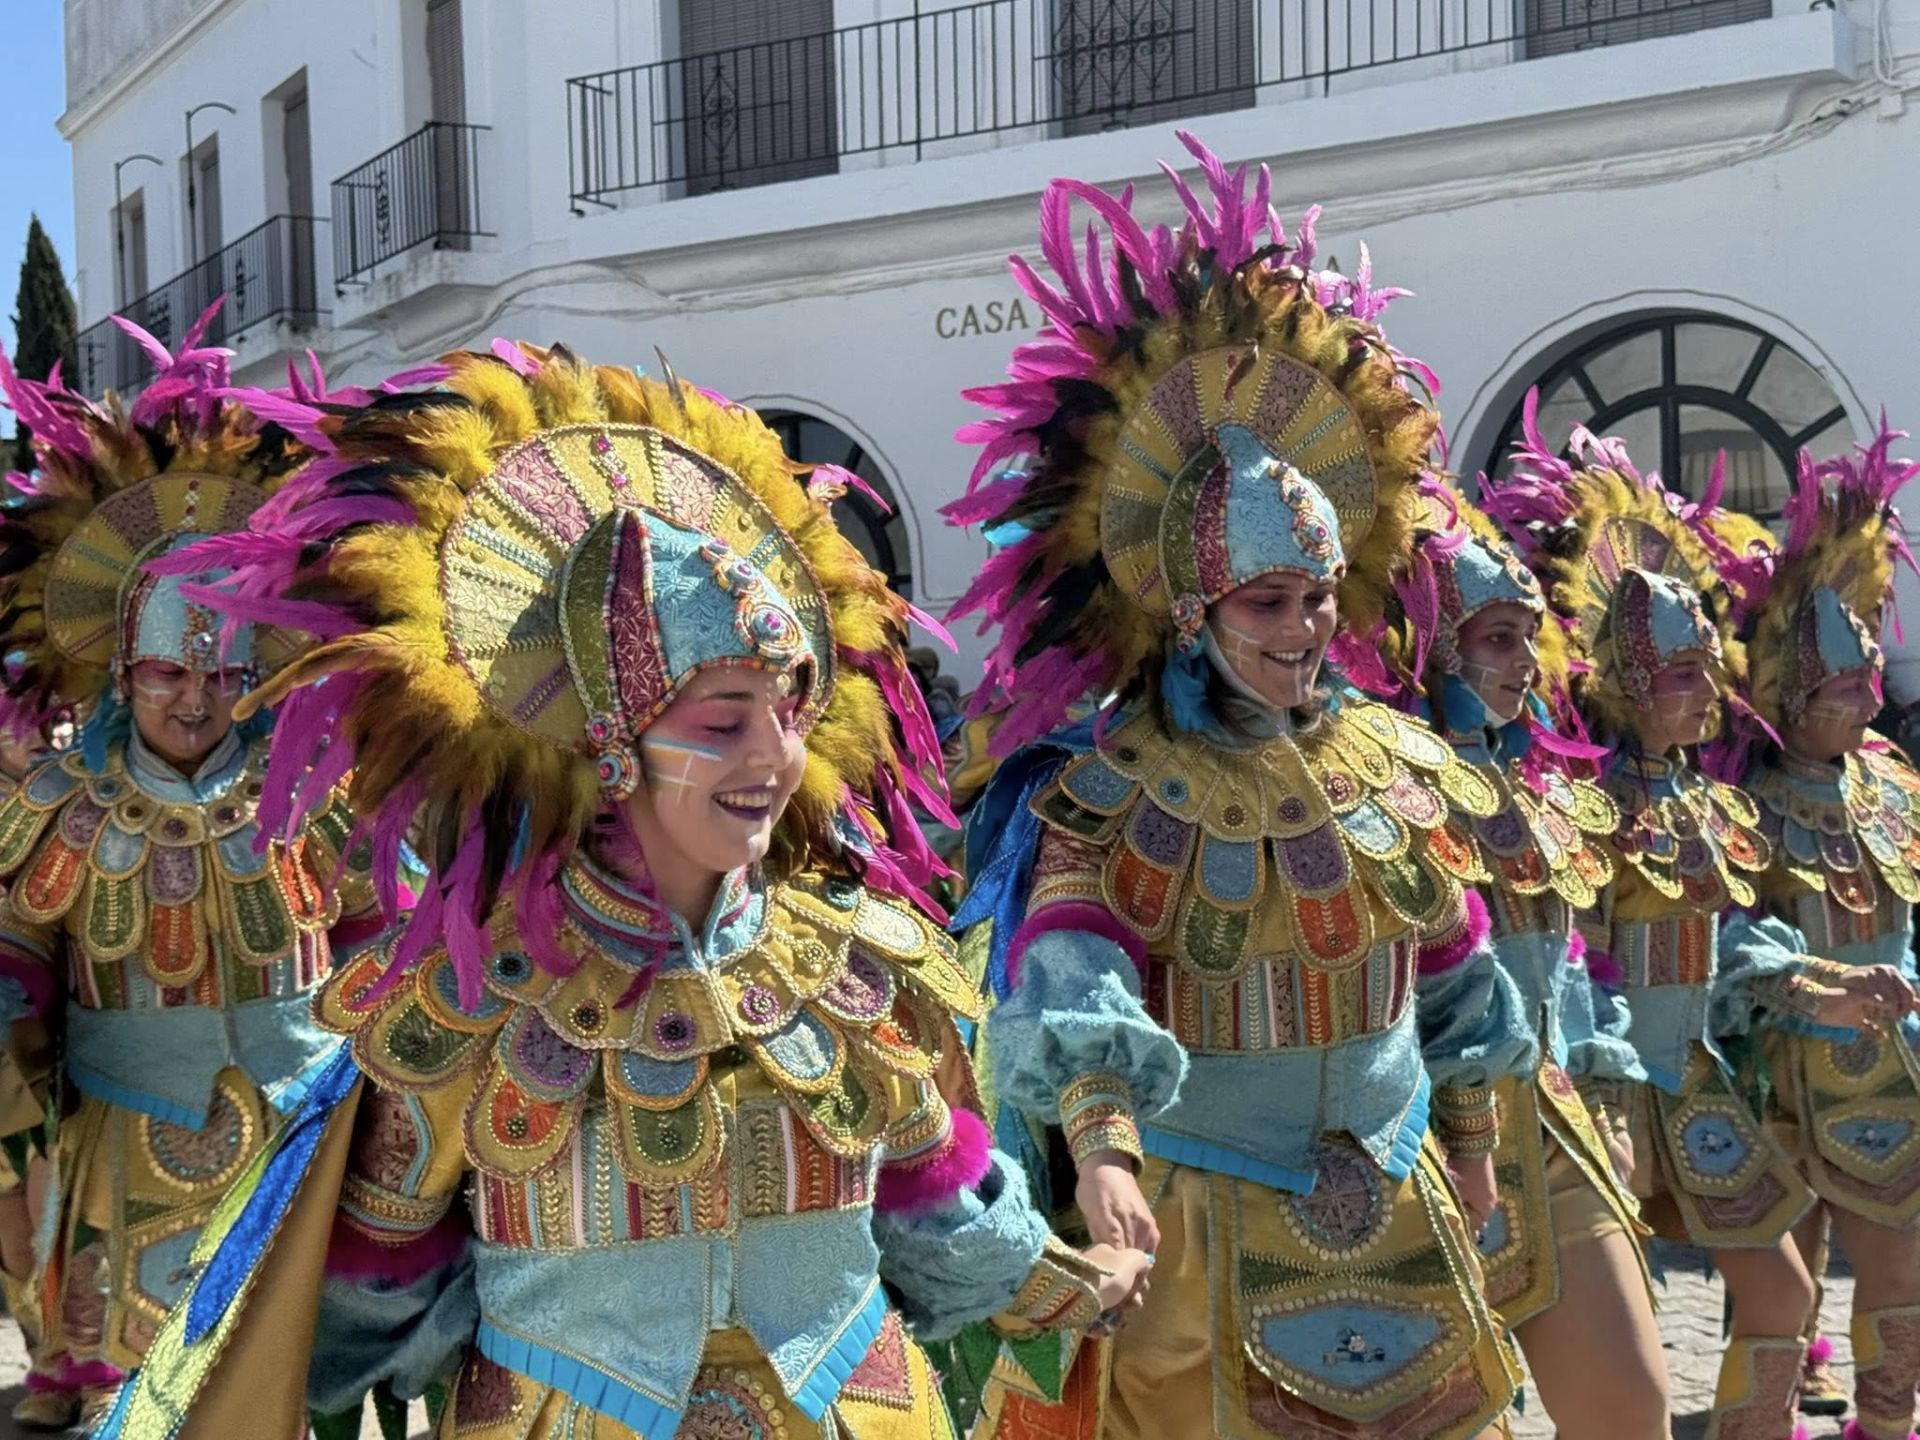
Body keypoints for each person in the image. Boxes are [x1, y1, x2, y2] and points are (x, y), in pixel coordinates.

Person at [99, 341, 1152, 1440]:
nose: (774, 759)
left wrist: (1087, 1280)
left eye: (787, 714)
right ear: (614, 745)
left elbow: (943, 1222)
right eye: (720, 722)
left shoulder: (852, 969)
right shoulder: (473, 1004)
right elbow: (366, 1301)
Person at [944, 132, 1531, 1440]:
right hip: (1202, 1221)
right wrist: (1103, 1157)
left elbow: (1452, 969)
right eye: (1268, 600)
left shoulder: (1393, 765)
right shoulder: (1111, 787)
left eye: (1319, 598)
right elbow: (1077, 976)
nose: (1304, 627)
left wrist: (1477, 1143)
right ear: (1193, 606)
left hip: (1402, 1203)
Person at [1486, 399, 1909, 1440]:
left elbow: (1732, 944)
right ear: (1630, 679)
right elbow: (1572, 963)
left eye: (1711, 669)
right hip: (1612, 1094)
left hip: (1702, 1086)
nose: (1708, 689)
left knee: (1779, 1295)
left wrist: (1809, 981)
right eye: (1685, 672)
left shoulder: (1716, 807)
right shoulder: (1583, 803)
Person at [0, 309, 384, 1433]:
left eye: (218, 673)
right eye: (167, 672)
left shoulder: (319, 793)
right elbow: (24, 963)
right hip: (126, 1153)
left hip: (300, 1156)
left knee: (288, 1394)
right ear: (123, 670)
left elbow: (372, 947)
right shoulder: (55, 811)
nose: (193, 699)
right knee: (139, 1392)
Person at [1376, 477, 1667, 1439]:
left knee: (1632, 1408)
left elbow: (1572, 961)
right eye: (1497, 638)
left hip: (1552, 1123)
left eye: (1528, 638)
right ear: (1435, 645)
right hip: (1421, 1152)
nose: (1524, 663)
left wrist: (1604, 1092)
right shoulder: (1376, 786)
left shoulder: (1535, 790)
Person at [1712, 423, 1920, 1440]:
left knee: (1901, 1272)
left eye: (1865, 679)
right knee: (1780, 1295)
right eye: (1840, 685)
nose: (1864, 696)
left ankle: (1885, 1431)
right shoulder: (1746, 803)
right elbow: (1733, 944)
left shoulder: (1891, 780)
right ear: (1787, 694)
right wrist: (1816, 989)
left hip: (1894, 1068)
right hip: (1779, 1076)